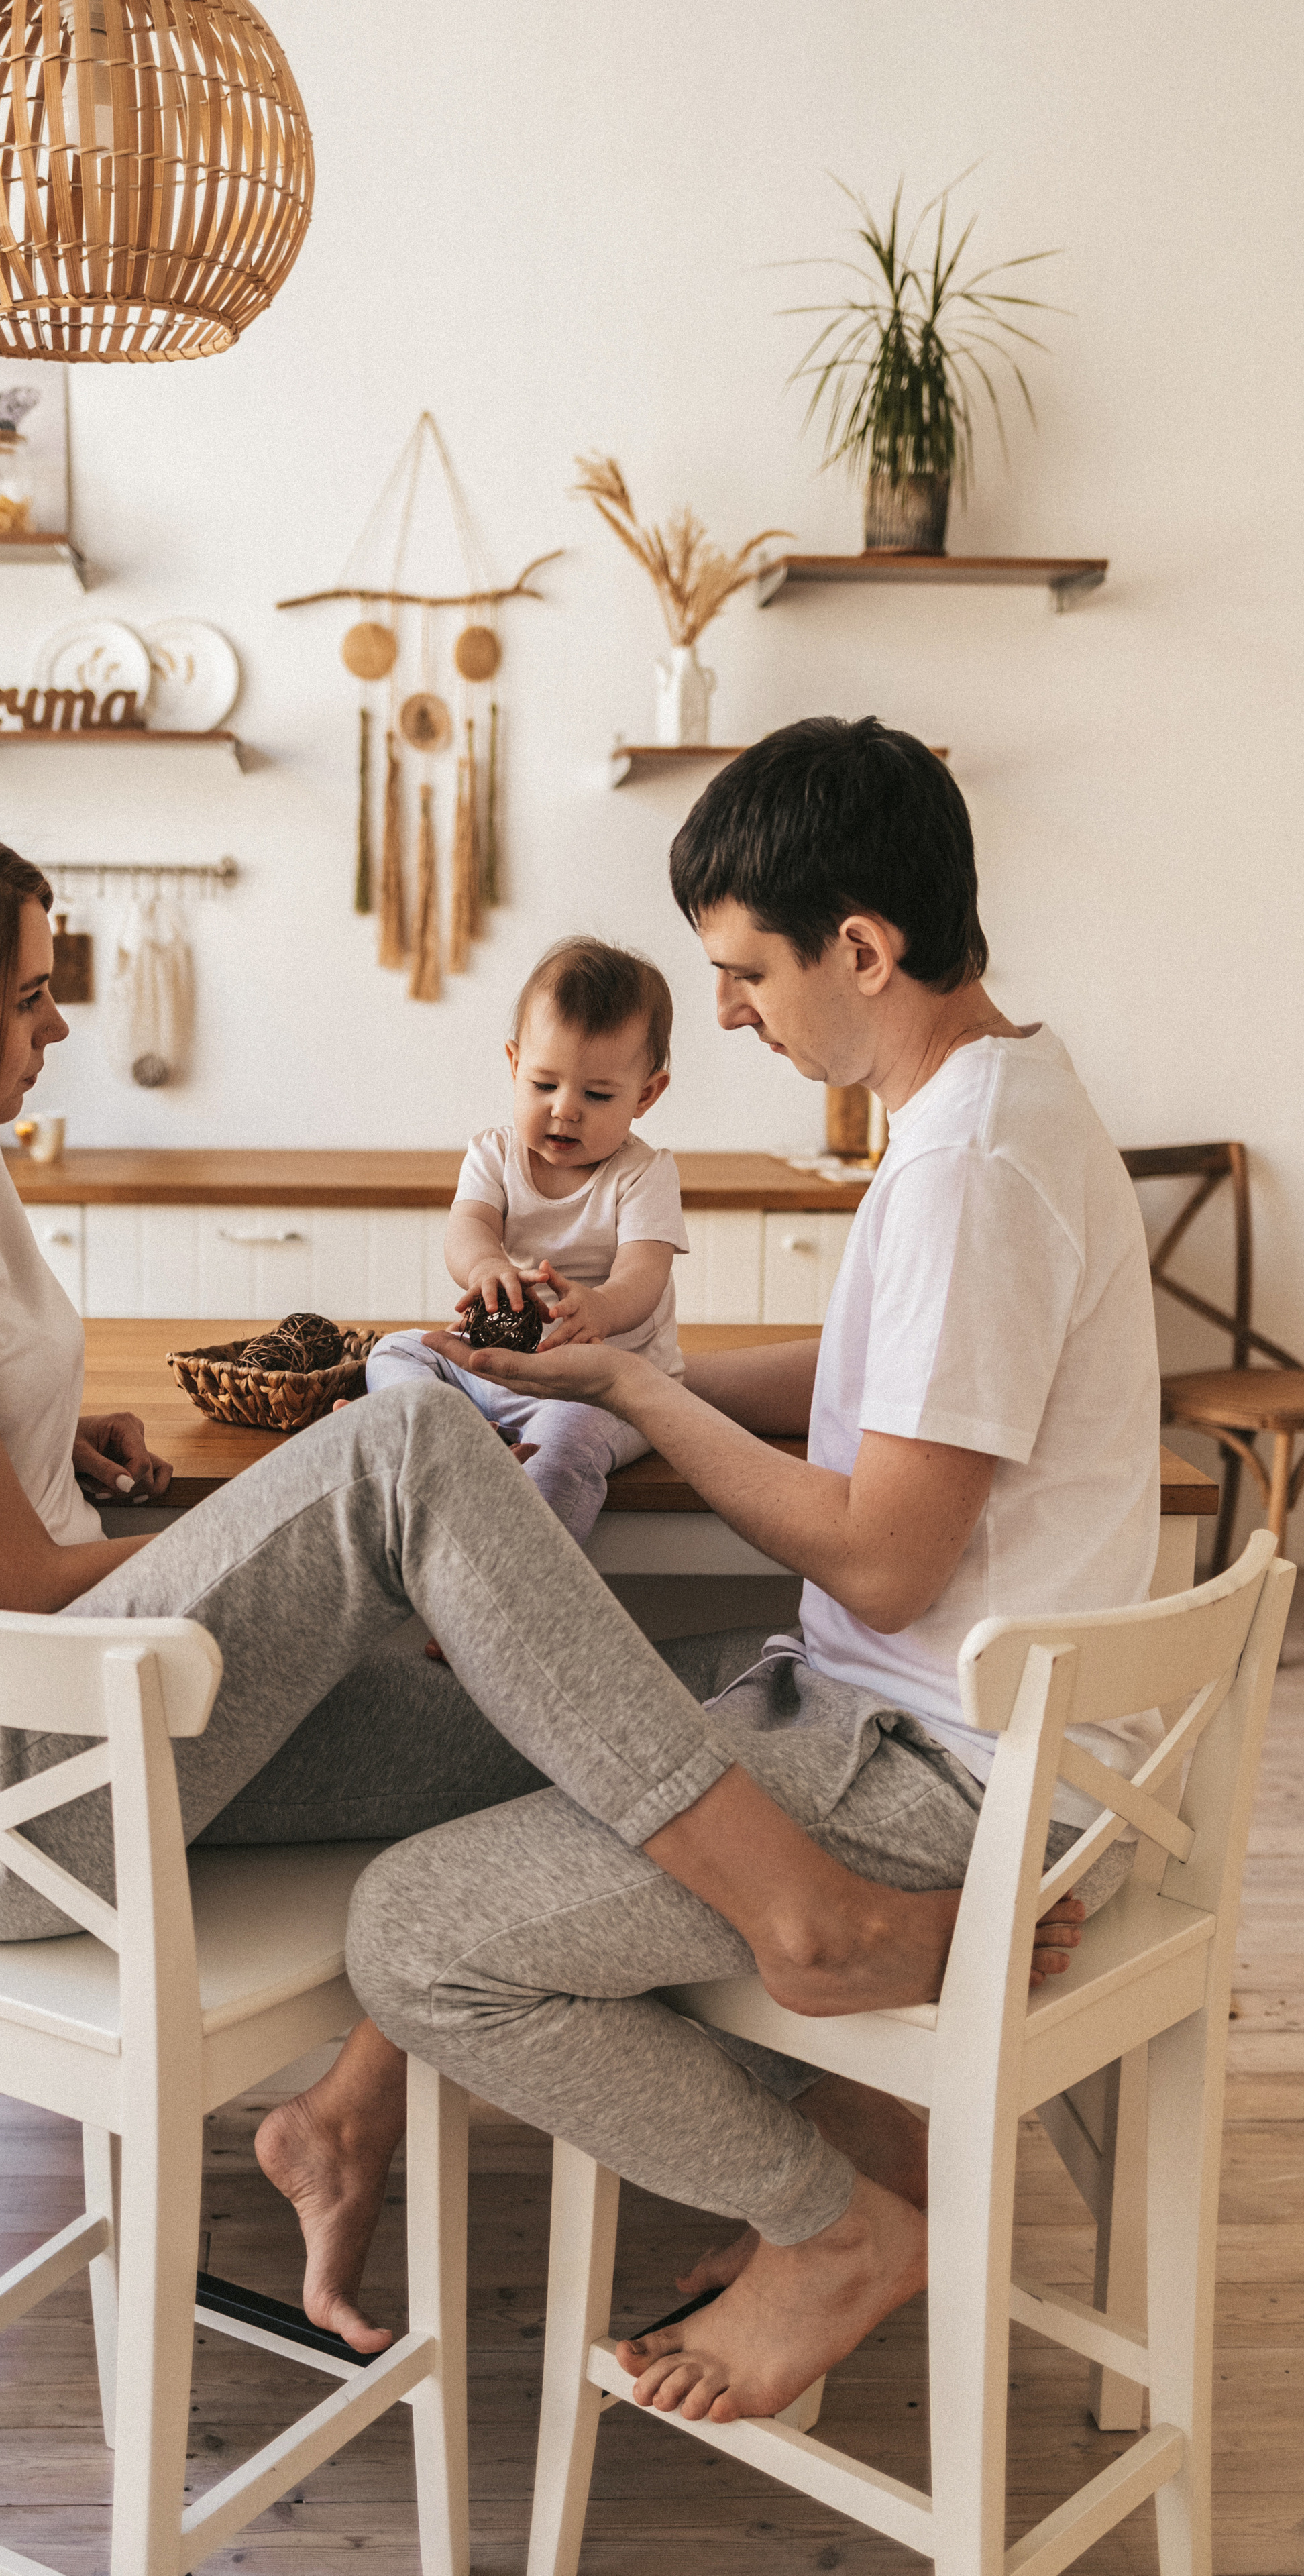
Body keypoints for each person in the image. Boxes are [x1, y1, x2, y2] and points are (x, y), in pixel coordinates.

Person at [0, 806, 1078, 2373]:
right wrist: (312, 1551)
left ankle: (355, 2122)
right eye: (24, 994)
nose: (57, 1018)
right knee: (404, 1445)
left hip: (84, 1724)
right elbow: (3, 1581)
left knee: (563, 1735)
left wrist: (44, 1432)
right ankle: (804, 1943)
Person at [342, 714, 1161, 2422]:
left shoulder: (964, 1167)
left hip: (937, 1763)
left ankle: (836, 2222)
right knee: (540, 1763)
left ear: (858, 948)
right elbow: (885, 1381)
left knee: (416, 1931)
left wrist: (637, 1388)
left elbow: (877, 1559)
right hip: (938, 1725)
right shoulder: (988, 1098)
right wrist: (630, 1374)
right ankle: (863, 2125)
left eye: (740, 972)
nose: (719, 1012)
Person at [364, 937, 688, 1546]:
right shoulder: (494, 1153)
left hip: (606, 1391)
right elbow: (469, 1227)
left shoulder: (644, 1174)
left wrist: (600, 1306)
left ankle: (514, 1581)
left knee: (566, 1450)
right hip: (500, 1373)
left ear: (646, 1094)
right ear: (515, 1065)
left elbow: (644, 1277)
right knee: (395, 1353)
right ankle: (456, 1436)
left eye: (597, 1095)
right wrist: (485, 1263)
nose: (565, 1111)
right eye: (544, 1085)